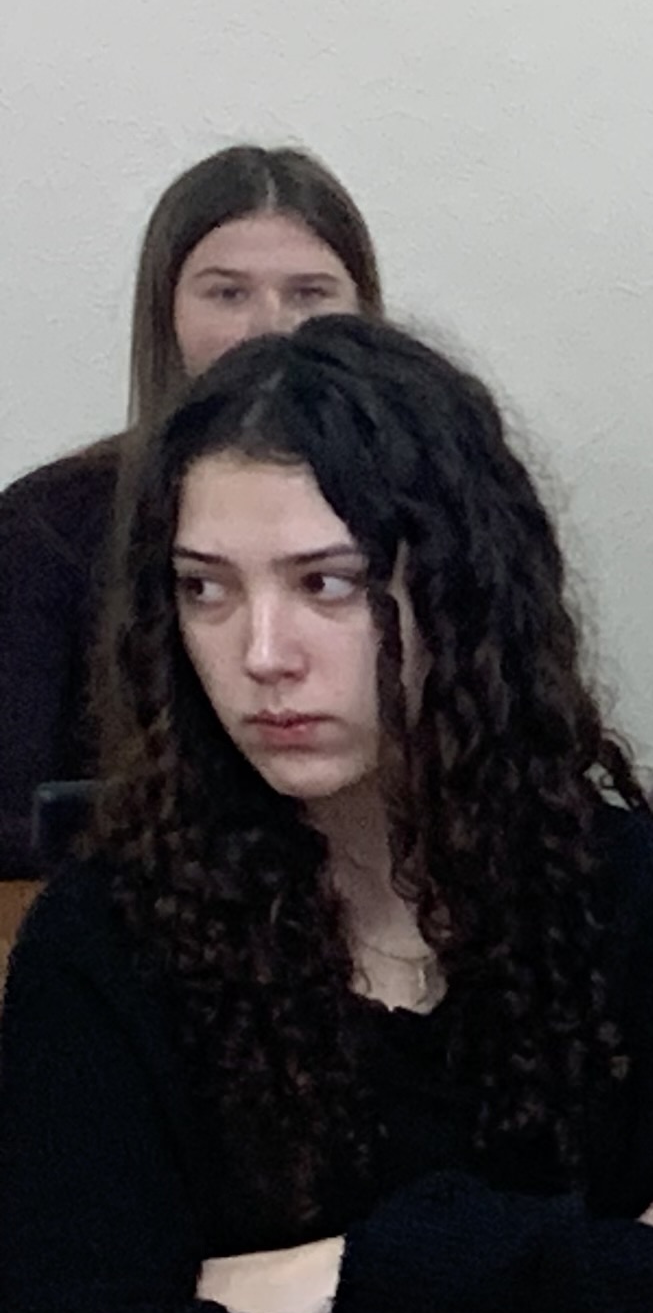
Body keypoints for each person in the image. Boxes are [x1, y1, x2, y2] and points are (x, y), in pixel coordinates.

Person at [0, 318, 653, 1313]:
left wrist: (348, 1275)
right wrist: (618, 1283)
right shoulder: (106, 943)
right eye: (205, 590)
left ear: (459, 592)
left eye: (328, 584)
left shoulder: (639, 905)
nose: (261, 653)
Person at [0, 144, 381, 875]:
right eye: (228, 294)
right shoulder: (45, 525)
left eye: (309, 293)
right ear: (166, 315)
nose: (271, 326)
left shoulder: (434, 506)